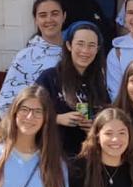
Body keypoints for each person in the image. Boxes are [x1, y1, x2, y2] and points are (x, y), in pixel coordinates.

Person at [36, 22, 109, 157]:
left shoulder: (98, 82)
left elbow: (108, 115)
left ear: (97, 49)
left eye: (91, 45)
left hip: (87, 157)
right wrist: (57, 118)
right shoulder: (49, 77)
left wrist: (95, 124)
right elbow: (29, 113)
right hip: (54, 155)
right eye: (80, 44)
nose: (85, 51)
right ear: (69, 45)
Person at [0, 0, 67, 116]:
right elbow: (5, 105)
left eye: (55, 14)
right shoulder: (25, 57)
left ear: (64, 16)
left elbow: (84, 95)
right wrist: (54, 118)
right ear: (35, 20)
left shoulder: (76, 53)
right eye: (43, 15)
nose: (49, 19)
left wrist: (84, 121)